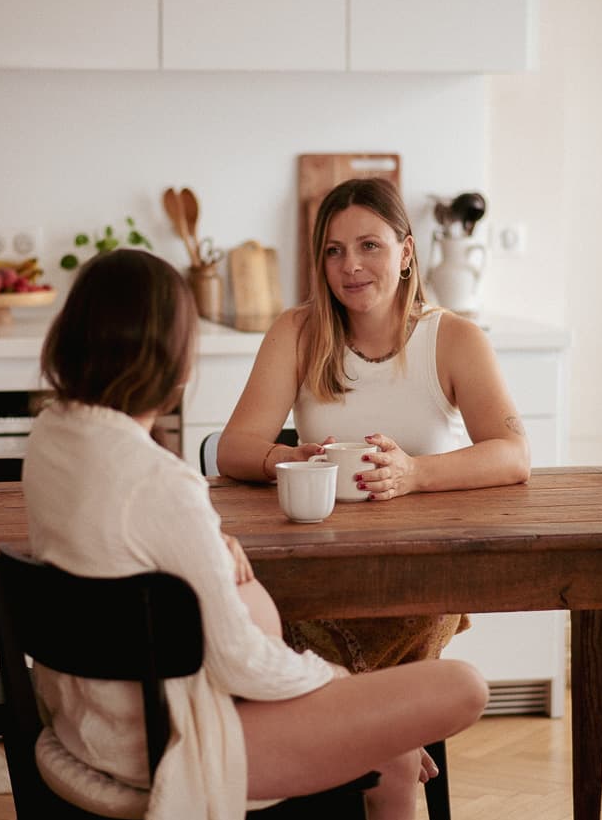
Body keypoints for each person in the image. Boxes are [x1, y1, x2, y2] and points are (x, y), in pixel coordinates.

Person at [23, 247, 487, 820]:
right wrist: (351, 689)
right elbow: (244, 665)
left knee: (396, 756)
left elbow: (118, 543)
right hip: (174, 741)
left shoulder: (53, 440)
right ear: (173, 356)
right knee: (462, 686)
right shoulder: (161, 483)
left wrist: (200, 548)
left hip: (91, 722)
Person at [218, 176, 531, 672]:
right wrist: (286, 459)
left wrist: (414, 474)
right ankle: (392, 741)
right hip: (315, 565)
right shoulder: (296, 333)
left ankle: (358, 731)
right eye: (334, 251)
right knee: (272, 620)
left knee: (388, 626)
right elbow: (232, 447)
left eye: (370, 246)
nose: (351, 266)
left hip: (422, 569)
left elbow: (513, 454)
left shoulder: (454, 338)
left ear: (406, 252)